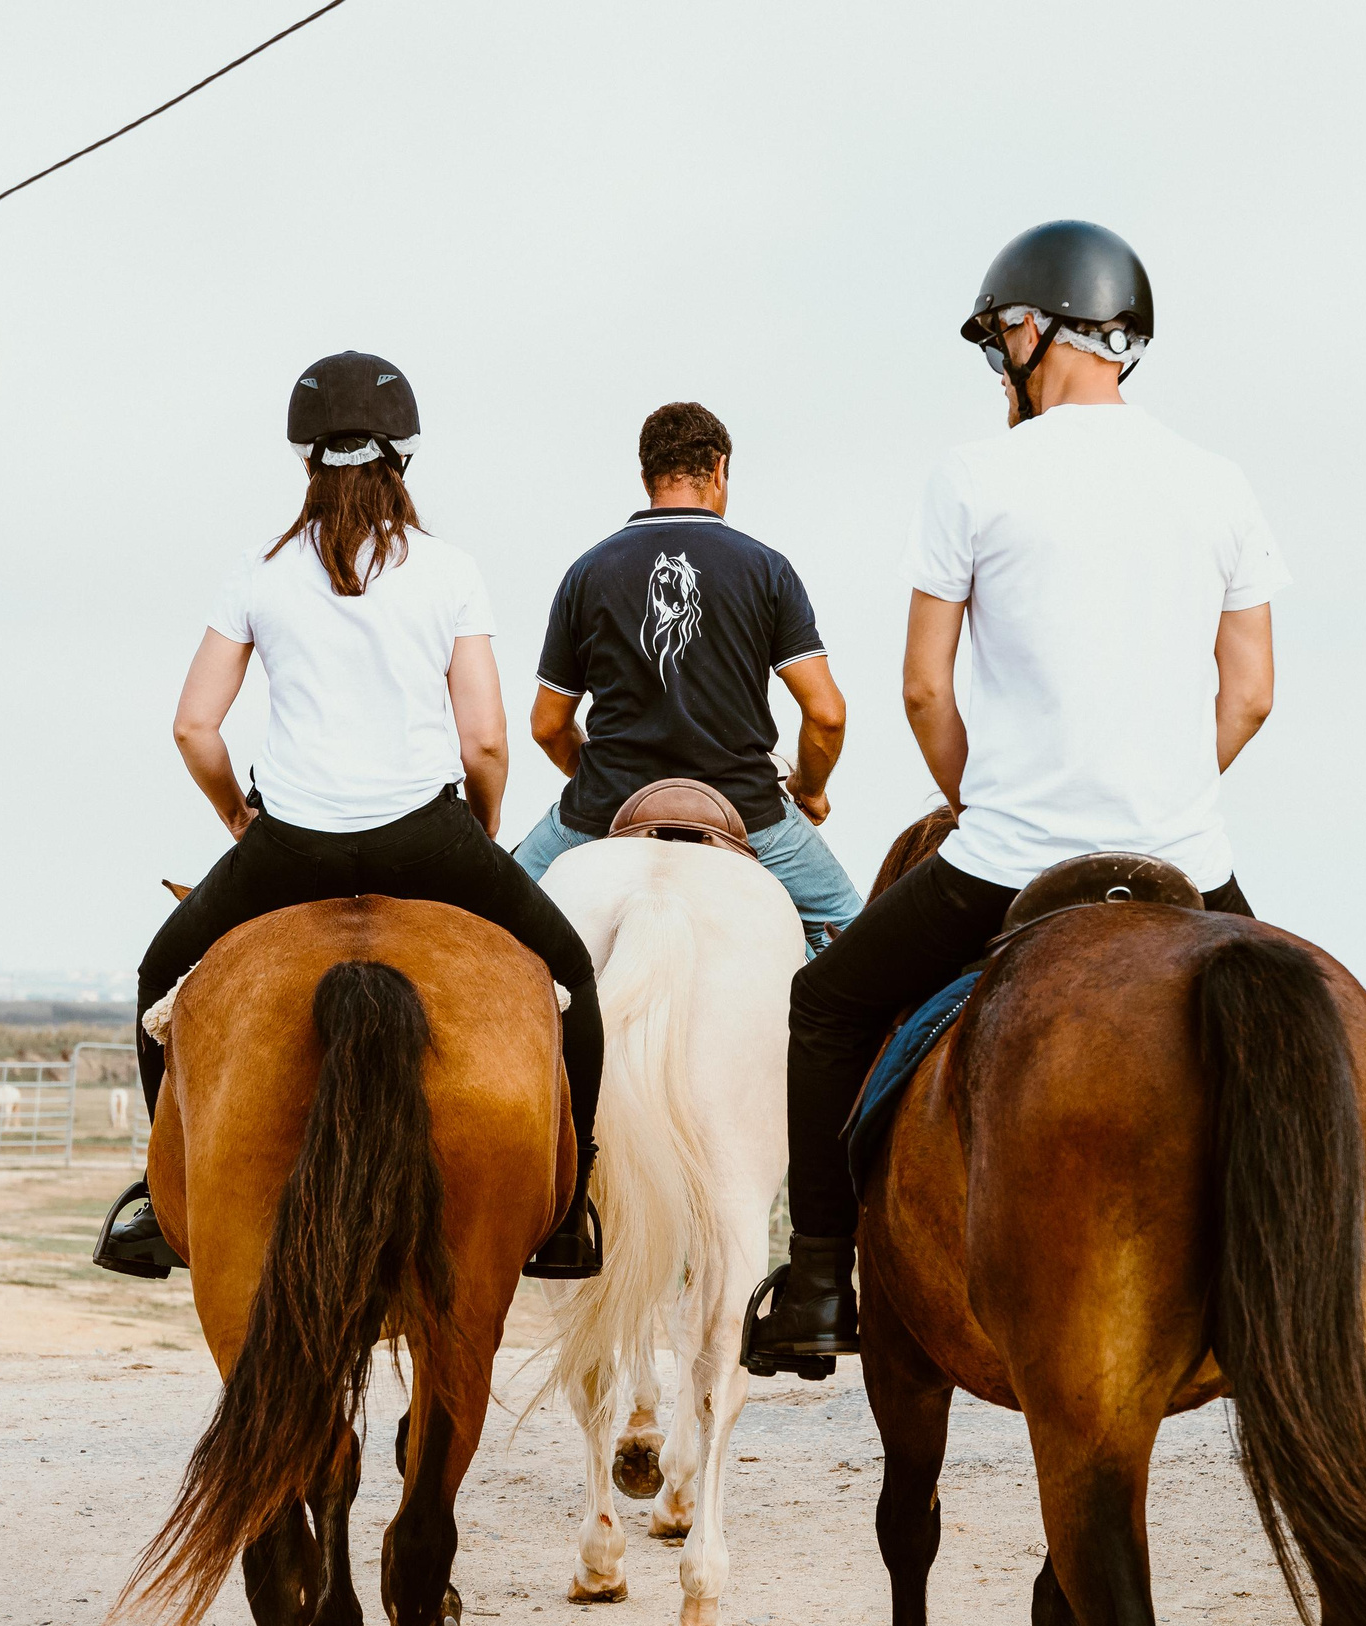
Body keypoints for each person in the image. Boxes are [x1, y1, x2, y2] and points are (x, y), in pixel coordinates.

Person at [746, 220, 1288, 1363]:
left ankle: (816, 1285)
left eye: (1001, 344)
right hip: (1186, 857)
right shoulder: (1220, 482)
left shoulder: (971, 479)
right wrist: (1166, 781)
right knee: (1294, 1048)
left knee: (828, 1006)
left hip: (1005, 863)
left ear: (1034, 327)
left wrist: (975, 800)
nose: (1001, 369)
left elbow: (921, 690)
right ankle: (1279, 1287)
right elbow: (1249, 695)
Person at [93, 351, 605, 1282]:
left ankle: (161, 1200)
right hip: (427, 837)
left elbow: (193, 726)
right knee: (569, 972)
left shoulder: (256, 572)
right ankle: (572, 1210)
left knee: (158, 975)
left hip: (291, 846)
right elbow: (485, 739)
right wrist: (478, 838)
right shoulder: (451, 570)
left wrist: (240, 819)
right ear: (401, 459)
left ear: (305, 464)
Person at [513, 403, 861, 953]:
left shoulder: (587, 572)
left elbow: (547, 725)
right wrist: (809, 791)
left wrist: (604, 780)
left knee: (487, 925)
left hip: (603, 806)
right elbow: (826, 713)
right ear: (719, 470)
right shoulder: (767, 568)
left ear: (646, 475)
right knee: (857, 942)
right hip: (746, 809)